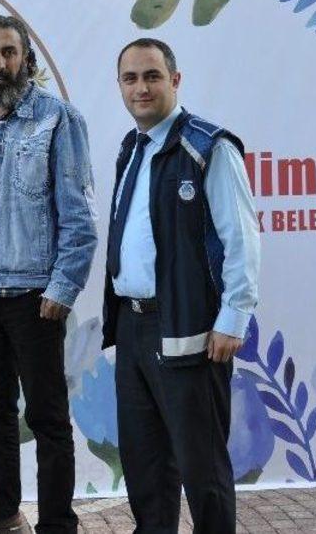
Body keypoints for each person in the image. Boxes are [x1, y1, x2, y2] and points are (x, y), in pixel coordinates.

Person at [0, 16, 98, 534]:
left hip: (34, 297)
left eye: (9, 52)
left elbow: (79, 216)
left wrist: (63, 287)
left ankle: (57, 524)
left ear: (27, 59)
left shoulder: (57, 119)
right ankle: (1, 510)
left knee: (47, 418)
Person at [102, 38, 261, 533]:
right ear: (119, 86)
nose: (141, 88)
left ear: (175, 80)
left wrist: (233, 317)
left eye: (152, 76)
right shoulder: (131, 148)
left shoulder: (209, 147)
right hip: (132, 328)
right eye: (130, 78)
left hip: (190, 330)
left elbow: (241, 239)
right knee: (145, 467)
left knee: (202, 469)